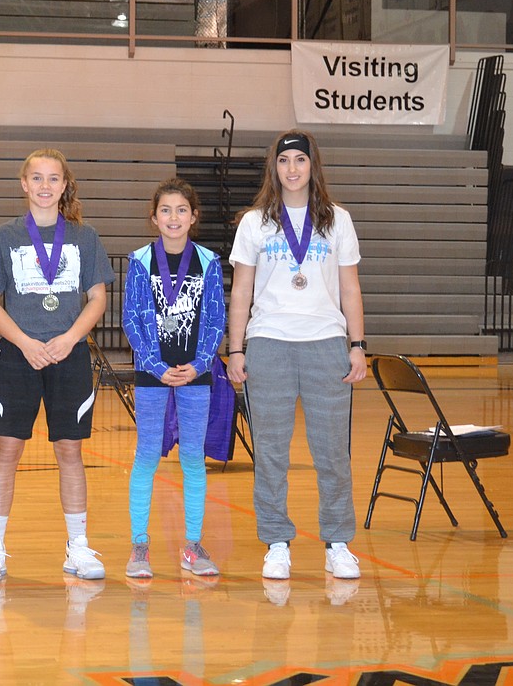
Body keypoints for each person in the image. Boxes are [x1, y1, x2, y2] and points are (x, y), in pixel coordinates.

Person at [226, 129, 368, 582]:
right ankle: (277, 542)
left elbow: (350, 287)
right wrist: (236, 349)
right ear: (275, 167)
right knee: (270, 452)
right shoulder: (254, 222)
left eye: (300, 161)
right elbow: (242, 291)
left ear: (312, 166)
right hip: (268, 343)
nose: (292, 169)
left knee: (332, 453)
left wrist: (358, 346)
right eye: (284, 160)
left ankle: (338, 542)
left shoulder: (337, 220)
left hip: (327, 343)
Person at [0, 148, 115, 582]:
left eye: (53, 179)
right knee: (6, 451)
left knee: (70, 452)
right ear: (24, 184)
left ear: (64, 185)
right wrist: (26, 342)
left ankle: (78, 546)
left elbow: (98, 299)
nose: (45, 186)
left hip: (69, 358)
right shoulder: (3, 238)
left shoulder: (84, 238)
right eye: (37, 178)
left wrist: (70, 339)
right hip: (18, 356)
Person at [121, 178, 226, 579]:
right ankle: (139, 547)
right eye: (166, 210)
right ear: (154, 217)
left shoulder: (210, 262)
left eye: (182, 209)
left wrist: (200, 364)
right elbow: (131, 318)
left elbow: (216, 319)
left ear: (193, 217)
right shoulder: (141, 262)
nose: (174, 217)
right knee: (146, 456)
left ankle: (194, 546)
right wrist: (152, 363)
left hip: (194, 375)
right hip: (152, 374)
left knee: (192, 460)